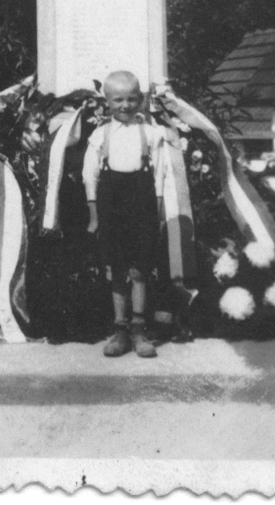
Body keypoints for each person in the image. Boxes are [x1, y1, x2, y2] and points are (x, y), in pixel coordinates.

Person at [84, 70, 162, 358]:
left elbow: (160, 177)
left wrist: (158, 215)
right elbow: (90, 178)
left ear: (140, 100)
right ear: (107, 101)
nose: (125, 105)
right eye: (118, 100)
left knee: (139, 269)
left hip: (142, 205)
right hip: (111, 206)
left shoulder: (150, 134)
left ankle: (139, 330)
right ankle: (120, 330)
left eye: (131, 99)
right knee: (117, 270)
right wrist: (94, 216)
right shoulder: (100, 135)